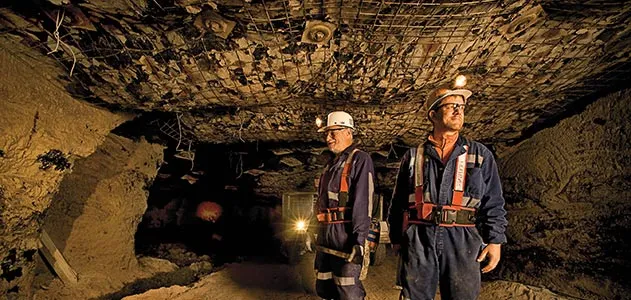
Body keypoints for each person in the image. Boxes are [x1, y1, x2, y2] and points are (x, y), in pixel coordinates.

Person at [387, 81, 508, 300]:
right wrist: (396, 237)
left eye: (461, 106)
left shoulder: (480, 154)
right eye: (450, 105)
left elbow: (494, 202)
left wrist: (495, 241)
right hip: (420, 237)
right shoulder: (413, 157)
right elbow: (397, 203)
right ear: (433, 115)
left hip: (462, 238)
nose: (458, 110)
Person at [314, 111, 375, 300]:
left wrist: (360, 241)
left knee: (347, 288)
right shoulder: (329, 166)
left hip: (345, 236)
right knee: (324, 286)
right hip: (326, 236)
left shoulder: (360, 159)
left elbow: (363, 203)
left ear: (349, 132)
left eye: (334, 132)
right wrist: (312, 230)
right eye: (327, 133)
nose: (328, 137)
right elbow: (320, 204)